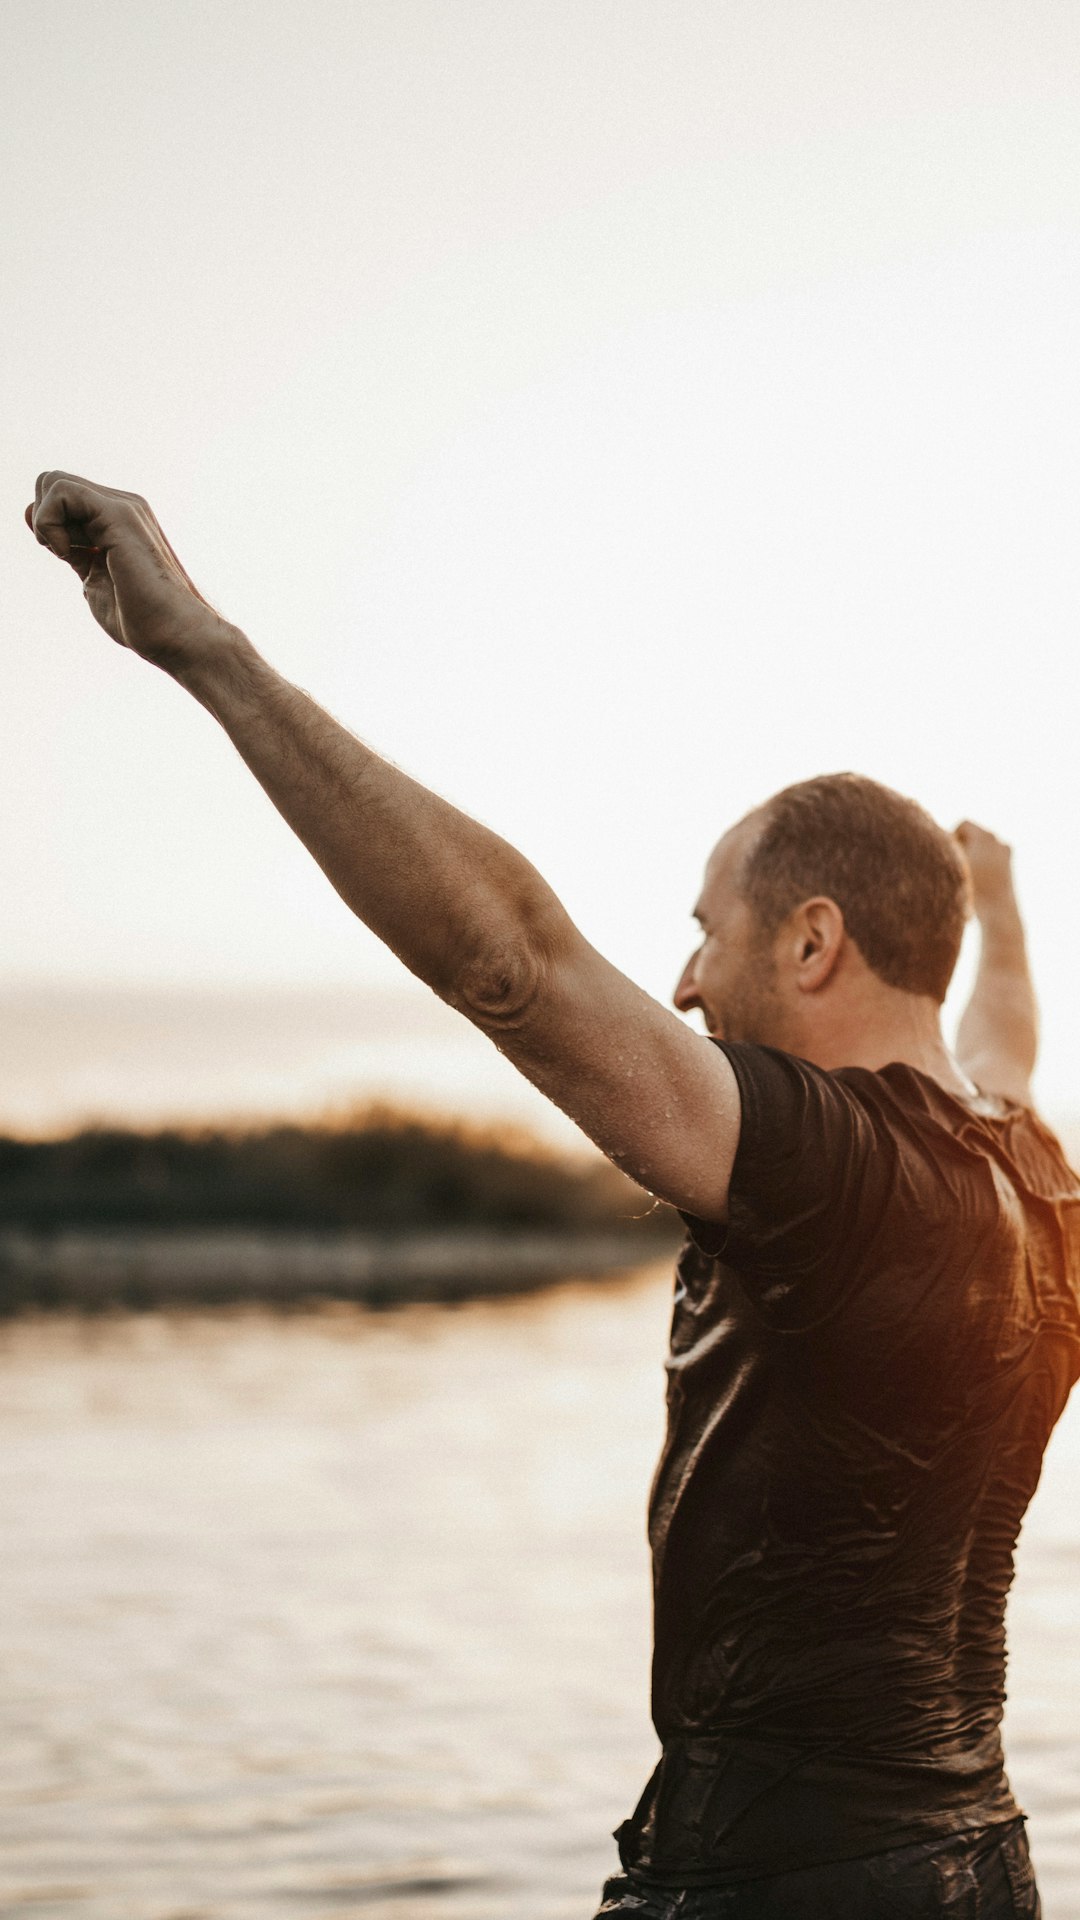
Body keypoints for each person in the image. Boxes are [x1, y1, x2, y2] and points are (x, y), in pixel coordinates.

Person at [26, 473, 1077, 1918]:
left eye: (709, 932)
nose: (687, 980)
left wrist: (203, 647)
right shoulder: (1028, 1163)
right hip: (978, 1867)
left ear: (817, 941)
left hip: (778, 1885)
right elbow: (1000, 1023)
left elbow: (511, 965)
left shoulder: (830, 1172)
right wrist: (998, 898)